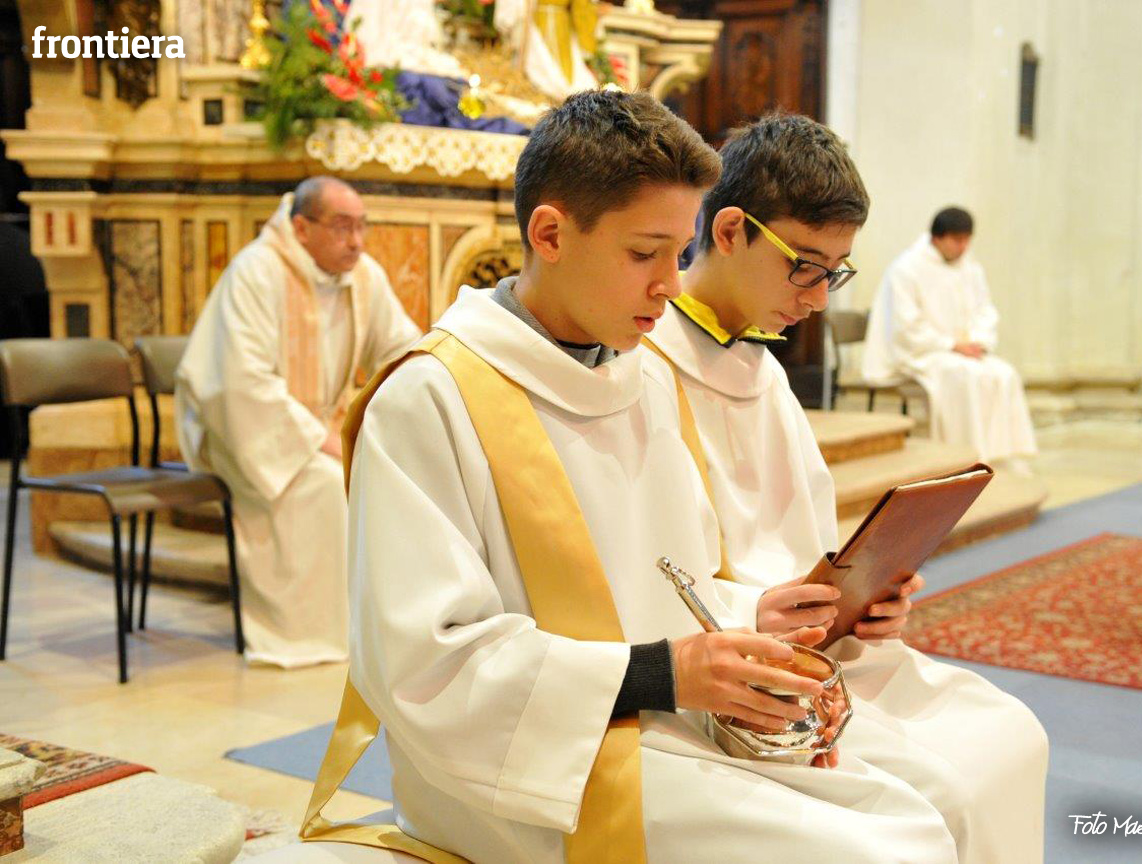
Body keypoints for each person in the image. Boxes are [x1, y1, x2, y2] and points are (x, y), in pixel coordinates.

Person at [323, 91, 958, 863]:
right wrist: (661, 674)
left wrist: (756, 612)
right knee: (883, 851)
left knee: (918, 814)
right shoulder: (431, 398)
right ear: (550, 234)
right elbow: (427, 665)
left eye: (680, 252)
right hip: (529, 770)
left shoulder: (640, 377)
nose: (671, 284)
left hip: (665, 714)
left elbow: (674, 581)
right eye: (644, 253)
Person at [644, 113, 1048, 863]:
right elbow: (640, 576)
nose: (821, 298)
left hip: (821, 647)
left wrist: (866, 594)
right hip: (732, 669)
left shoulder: (762, 371)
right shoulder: (639, 363)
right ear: (729, 231)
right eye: (805, 266)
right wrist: (753, 609)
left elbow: (809, 544)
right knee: (949, 792)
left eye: (835, 271)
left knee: (1012, 736)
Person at [175, 176, 420, 668]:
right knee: (327, 483)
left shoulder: (363, 276)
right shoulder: (256, 272)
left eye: (362, 227)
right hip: (245, 432)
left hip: (317, 427)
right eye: (342, 227)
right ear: (302, 228)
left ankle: (385, 626)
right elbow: (240, 384)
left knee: (396, 469)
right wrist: (321, 441)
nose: (356, 242)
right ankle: (317, 633)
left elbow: (402, 352)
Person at [862, 207, 1037, 468]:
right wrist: (951, 345)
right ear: (937, 237)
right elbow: (906, 326)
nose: (964, 247)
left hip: (962, 351)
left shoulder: (970, 268)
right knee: (965, 376)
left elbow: (985, 311)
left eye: (967, 240)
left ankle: (1002, 457)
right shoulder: (906, 269)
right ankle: (965, 458)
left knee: (1004, 374)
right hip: (920, 352)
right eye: (957, 240)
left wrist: (978, 341)